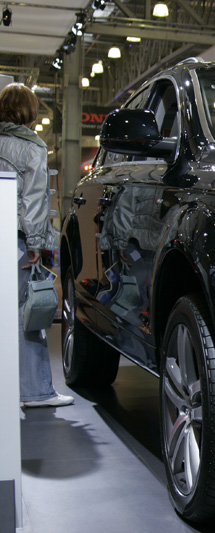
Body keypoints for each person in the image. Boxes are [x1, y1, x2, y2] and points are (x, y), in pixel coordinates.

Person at [0, 83, 73, 408]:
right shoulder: (32, 147)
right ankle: (35, 392)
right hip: (16, 238)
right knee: (26, 313)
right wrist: (36, 245)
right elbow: (32, 201)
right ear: (29, 111)